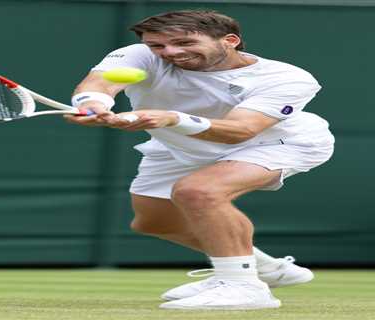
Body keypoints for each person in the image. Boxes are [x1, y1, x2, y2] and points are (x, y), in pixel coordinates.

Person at [65, 9, 334, 310]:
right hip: (181, 146)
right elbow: (98, 84)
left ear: (230, 41)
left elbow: (241, 130)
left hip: (275, 143)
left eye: (185, 42)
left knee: (199, 191)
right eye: (158, 46)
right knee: (154, 222)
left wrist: (172, 118)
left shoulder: (286, 78)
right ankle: (263, 267)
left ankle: (243, 285)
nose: (170, 52)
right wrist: (93, 104)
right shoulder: (140, 55)